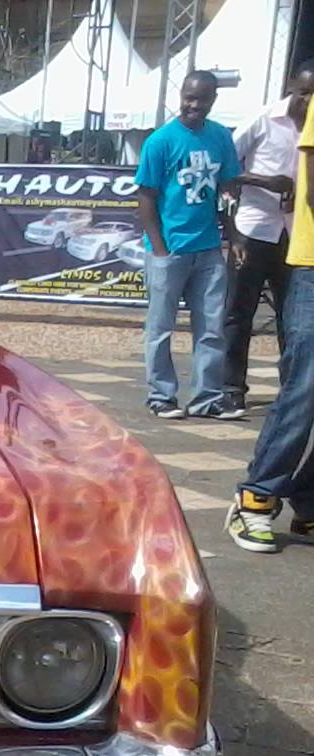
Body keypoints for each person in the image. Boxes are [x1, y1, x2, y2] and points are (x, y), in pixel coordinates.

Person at [227, 76, 314, 552]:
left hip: (286, 241)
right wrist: (235, 228)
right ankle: (256, 497)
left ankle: (309, 503)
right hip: (297, 254)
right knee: (304, 383)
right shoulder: (268, 120)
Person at [134, 70, 241, 419]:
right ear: (180, 96)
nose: (193, 105)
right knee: (160, 327)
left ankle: (207, 397)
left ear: (213, 100)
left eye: (201, 99)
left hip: (208, 248)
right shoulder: (160, 141)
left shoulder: (220, 136)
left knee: (211, 327)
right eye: (188, 97)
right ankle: (161, 395)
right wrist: (160, 249)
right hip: (170, 248)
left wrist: (233, 235)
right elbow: (146, 197)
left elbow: (227, 189)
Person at [222, 63, 314, 416]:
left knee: (293, 319)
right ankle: (232, 388)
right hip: (253, 230)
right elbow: (224, 168)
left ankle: (292, 389)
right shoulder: (262, 120)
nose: (308, 101)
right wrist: (265, 182)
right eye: (304, 92)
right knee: (238, 313)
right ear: (291, 86)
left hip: (295, 236)